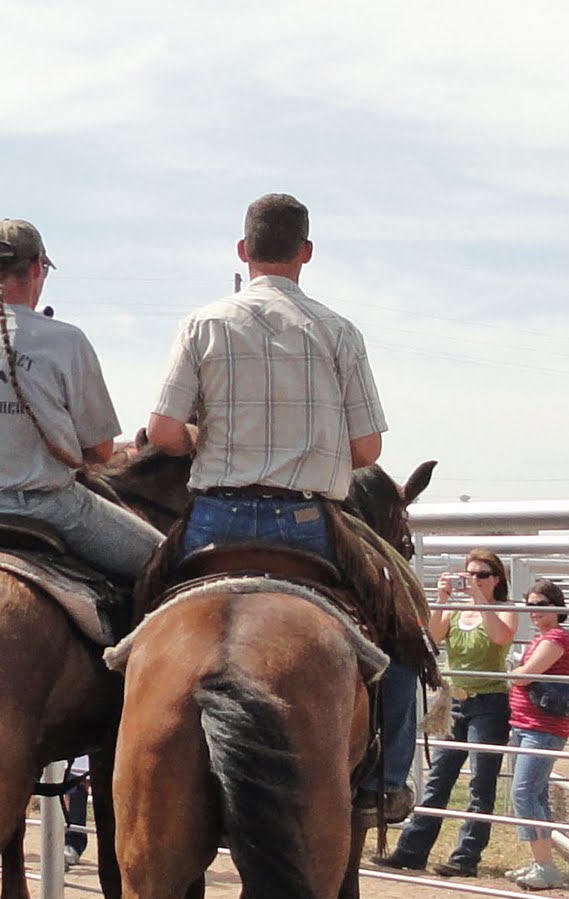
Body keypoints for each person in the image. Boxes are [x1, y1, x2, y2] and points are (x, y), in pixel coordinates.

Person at [145, 192, 409, 818]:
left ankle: (120, 748)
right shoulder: (339, 330)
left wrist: (200, 440)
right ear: (306, 254)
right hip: (306, 525)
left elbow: (161, 432)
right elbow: (367, 449)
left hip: (214, 519)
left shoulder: (203, 323)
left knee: (132, 617)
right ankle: (383, 782)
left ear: (243, 251)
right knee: (400, 632)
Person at [0, 219, 161, 578]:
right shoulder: (65, 341)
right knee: (163, 564)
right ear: (37, 268)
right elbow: (100, 452)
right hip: (50, 509)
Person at [379, 550, 518, 877]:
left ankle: (465, 857)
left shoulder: (504, 610)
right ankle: (411, 851)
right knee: (438, 778)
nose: (474, 579)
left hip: (489, 703)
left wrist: (480, 601)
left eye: (482, 574)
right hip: (454, 702)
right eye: (469, 574)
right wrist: (442, 599)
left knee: (481, 784)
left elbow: (501, 637)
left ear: (496, 578)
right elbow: (433, 637)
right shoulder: (457, 610)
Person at [506, 578, 569, 890]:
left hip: (542, 728)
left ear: (558, 608)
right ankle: (541, 862)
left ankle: (545, 866)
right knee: (534, 794)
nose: (534, 612)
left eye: (541, 606)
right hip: (527, 726)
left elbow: (525, 676)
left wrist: (516, 673)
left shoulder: (556, 637)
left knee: (524, 792)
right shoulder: (543, 637)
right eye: (530, 606)